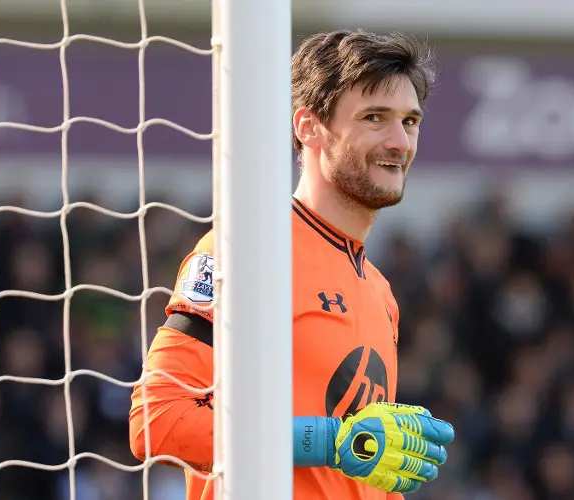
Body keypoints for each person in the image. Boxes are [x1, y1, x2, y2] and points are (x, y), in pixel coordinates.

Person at [129, 29, 455, 499]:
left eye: (410, 121)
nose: (398, 140)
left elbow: (352, 467)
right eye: (374, 118)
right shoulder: (244, 251)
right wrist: (322, 441)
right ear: (308, 126)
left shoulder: (380, 290)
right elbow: (156, 421)